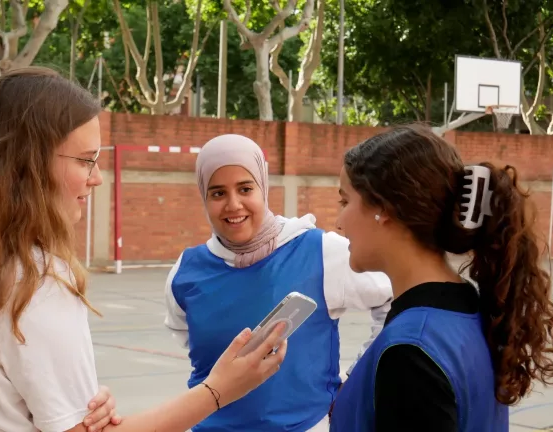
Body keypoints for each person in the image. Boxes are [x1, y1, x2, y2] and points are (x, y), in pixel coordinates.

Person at [0, 66, 287, 432]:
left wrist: (67, 404)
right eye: (86, 160)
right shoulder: (34, 283)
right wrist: (217, 391)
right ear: (29, 164)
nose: (97, 177)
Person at [328, 124, 553, 431]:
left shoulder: (410, 352)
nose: (338, 221)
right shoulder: (466, 310)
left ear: (384, 208)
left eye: (345, 201)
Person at [163, 134, 393, 432]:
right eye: (217, 193)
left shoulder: (321, 251)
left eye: (245, 188)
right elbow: (188, 338)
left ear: (264, 187)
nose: (234, 205)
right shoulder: (186, 271)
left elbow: (393, 302)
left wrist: (356, 381)